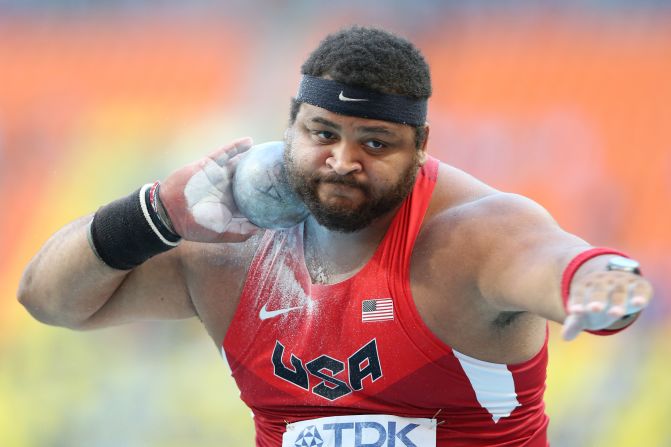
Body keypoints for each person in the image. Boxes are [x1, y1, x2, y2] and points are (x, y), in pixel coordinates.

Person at [18, 26, 653, 447]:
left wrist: (601, 286)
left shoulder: (472, 237)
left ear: (419, 147)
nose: (342, 160)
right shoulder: (227, 246)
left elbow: (566, 264)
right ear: (291, 126)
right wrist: (152, 215)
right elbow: (49, 300)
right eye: (323, 133)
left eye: (375, 143)